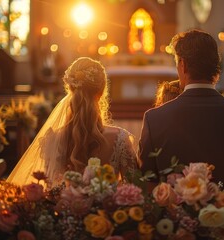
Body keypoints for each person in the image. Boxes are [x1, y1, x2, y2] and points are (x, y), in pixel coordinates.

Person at [138, 29, 224, 190]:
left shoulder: (155, 119)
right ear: (216, 66)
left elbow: (147, 183)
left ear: (183, 65)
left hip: (172, 215)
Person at [7, 57, 138, 187]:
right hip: (107, 208)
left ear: (70, 88)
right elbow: (136, 190)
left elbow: (50, 190)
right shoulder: (119, 139)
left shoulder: (53, 139)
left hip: (64, 208)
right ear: (102, 92)